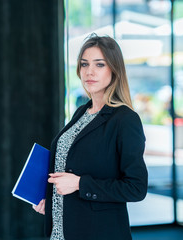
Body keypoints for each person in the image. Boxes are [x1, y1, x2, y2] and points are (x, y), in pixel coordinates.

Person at [33, 34, 148, 240]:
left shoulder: (125, 119)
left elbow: (136, 188)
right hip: (61, 231)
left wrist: (79, 184)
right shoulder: (81, 112)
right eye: (84, 64)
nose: (89, 72)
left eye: (99, 64)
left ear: (114, 69)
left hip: (99, 232)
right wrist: (50, 200)